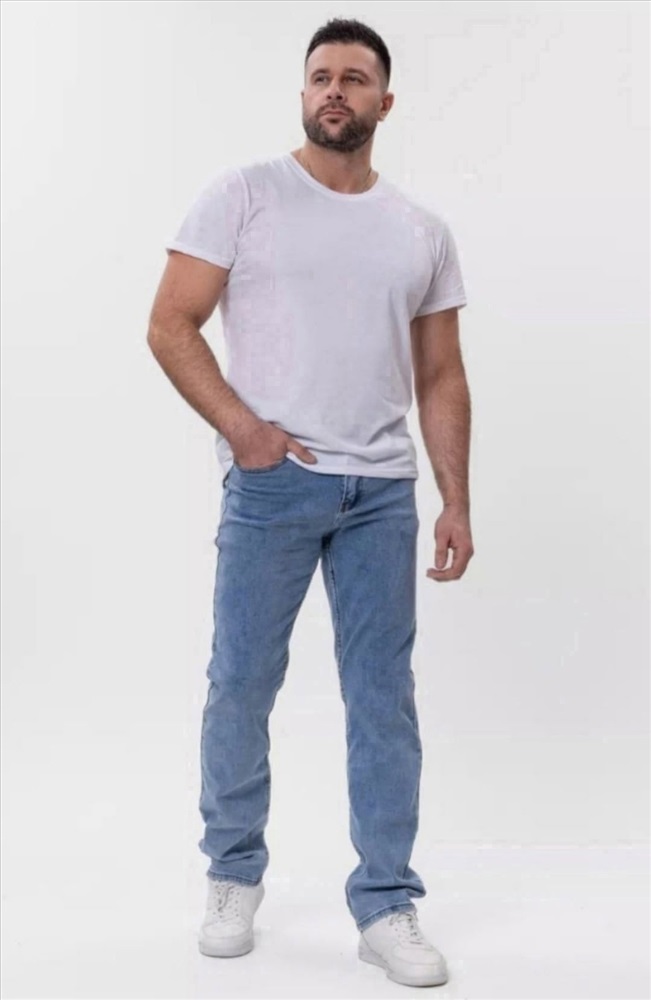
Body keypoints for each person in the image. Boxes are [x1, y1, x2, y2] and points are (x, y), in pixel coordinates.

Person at [147, 16, 474, 990]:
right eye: (321, 76)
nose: (336, 89)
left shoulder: (419, 230)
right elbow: (170, 323)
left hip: (382, 494)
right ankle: (231, 874)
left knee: (382, 701)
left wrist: (455, 498)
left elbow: (442, 374)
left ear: (385, 102)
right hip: (273, 484)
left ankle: (385, 903)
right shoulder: (244, 195)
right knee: (242, 684)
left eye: (355, 78)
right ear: (302, 94)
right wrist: (245, 431)